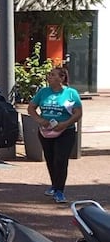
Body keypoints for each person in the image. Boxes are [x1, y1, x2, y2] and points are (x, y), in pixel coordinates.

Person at [27, 67, 83, 204]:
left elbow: (78, 113)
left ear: (62, 78)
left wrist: (65, 124)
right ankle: (54, 184)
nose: (49, 77)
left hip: (65, 132)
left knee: (60, 160)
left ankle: (60, 191)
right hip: (46, 132)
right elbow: (31, 108)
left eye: (53, 75)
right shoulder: (43, 92)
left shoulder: (71, 93)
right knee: (50, 159)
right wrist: (40, 120)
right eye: (49, 74)